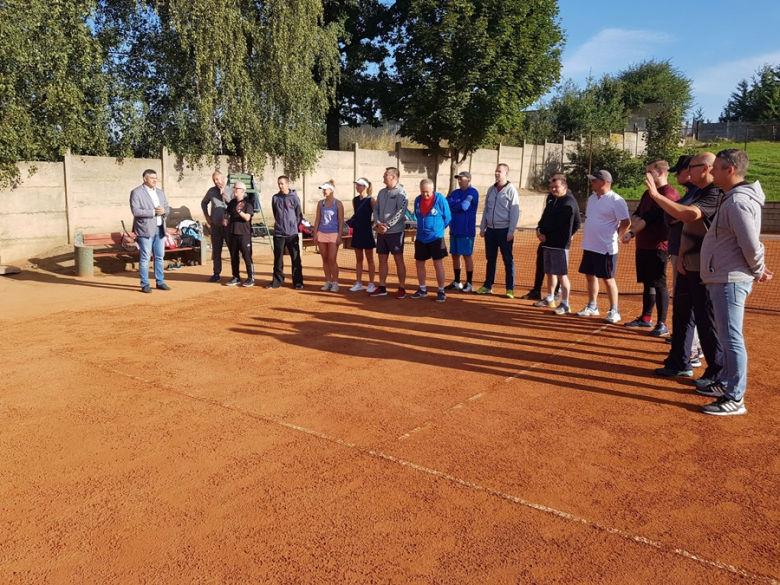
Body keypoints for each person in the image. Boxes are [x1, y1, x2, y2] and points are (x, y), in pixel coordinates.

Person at [698, 148, 772, 415]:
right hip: (724, 277)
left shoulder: (738, 202)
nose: (712, 171)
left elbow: (751, 244)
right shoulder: (731, 199)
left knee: (731, 337)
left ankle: (735, 397)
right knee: (727, 335)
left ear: (730, 170)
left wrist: (758, 268)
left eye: (716, 167)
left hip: (730, 279)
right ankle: (726, 383)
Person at [645, 152, 724, 391]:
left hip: (706, 269)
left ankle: (716, 372)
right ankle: (679, 361)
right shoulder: (698, 192)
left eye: (693, 167)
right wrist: (683, 257)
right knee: (682, 316)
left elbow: (688, 215)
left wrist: (657, 196)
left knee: (706, 320)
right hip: (689, 264)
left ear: (707, 168)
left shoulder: (715, 193)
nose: (688, 171)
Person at [620, 160, 680, 336]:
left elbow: (650, 218)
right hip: (643, 245)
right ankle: (646, 318)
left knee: (659, 284)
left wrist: (632, 232)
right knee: (648, 284)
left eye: (649, 172)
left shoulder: (668, 194)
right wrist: (637, 226)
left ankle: (662, 323)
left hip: (658, 246)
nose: (646, 176)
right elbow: (637, 214)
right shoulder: (649, 194)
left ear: (660, 173)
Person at [576, 170, 631, 323]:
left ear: (603, 182)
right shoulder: (592, 198)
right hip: (589, 245)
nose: (591, 183)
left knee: (608, 279)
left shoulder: (617, 200)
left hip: (606, 247)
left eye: (594, 180)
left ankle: (614, 310)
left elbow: (626, 222)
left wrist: (618, 236)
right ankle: (592, 306)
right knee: (589, 276)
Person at [533, 173, 581, 314]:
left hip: (559, 245)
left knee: (561, 274)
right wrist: (539, 229)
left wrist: (567, 235)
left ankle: (565, 304)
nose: (553, 189)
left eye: (556, 187)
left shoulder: (569, 203)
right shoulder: (551, 199)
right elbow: (545, 217)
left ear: (564, 187)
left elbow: (561, 223)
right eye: (551, 187)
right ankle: (550, 298)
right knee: (549, 272)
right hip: (547, 243)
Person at [476, 164, 521, 298]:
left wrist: (511, 231)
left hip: (504, 231)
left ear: (506, 174)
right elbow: (486, 209)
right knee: (491, 259)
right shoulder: (491, 189)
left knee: (508, 260)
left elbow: (515, 212)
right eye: (496, 171)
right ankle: (488, 286)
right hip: (490, 231)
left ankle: (510, 288)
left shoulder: (511, 190)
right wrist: (483, 226)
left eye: (499, 171)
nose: (497, 173)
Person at [130, 169, 171, 293]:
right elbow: (135, 211)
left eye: (156, 178)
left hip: (160, 229)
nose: (155, 180)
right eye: (152, 178)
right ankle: (145, 284)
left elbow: (167, 208)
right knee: (145, 257)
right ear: (145, 178)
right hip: (145, 229)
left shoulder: (160, 192)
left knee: (159, 257)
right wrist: (153, 212)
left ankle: (160, 281)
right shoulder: (136, 192)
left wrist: (164, 212)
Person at [370, 167, 408, 298]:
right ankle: (382, 286)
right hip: (381, 232)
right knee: (382, 259)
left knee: (398, 259)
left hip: (395, 232)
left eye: (385, 175)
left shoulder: (401, 193)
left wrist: (388, 225)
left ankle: (402, 287)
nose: (383, 177)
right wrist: (379, 223)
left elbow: (401, 212)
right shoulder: (381, 192)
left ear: (393, 177)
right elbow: (376, 210)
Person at [411, 179, 452, 302]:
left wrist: (438, 230)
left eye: (427, 192)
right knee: (419, 263)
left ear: (432, 189)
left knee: (437, 263)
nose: (425, 194)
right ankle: (422, 289)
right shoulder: (418, 200)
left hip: (436, 238)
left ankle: (441, 291)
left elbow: (447, 218)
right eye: (423, 191)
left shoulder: (440, 200)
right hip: (421, 238)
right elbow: (417, 216)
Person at [268, 176, 304, 289]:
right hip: (279, 233)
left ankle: (298, 282)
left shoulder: (294, 198)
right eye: (279, 183)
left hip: (292, 234)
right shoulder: (275, 198)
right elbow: (275, 213)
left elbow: (299, 215)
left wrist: (293, 227)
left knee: (295, 259)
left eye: (282, 183)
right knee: (278, 259)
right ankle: (277, 281)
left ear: (288, 184)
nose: (280, 186)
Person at [444, 171, 478, 293]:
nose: (459, 181)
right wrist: (457, 203)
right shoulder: (455, 192)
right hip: (454, 229)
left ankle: (469, 283)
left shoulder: (473, 192)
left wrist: (454, 204)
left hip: (466, 231)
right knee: (455, 255)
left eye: (461, 179)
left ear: (468, 180)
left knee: (467, 256)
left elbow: (464, 206)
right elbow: (446, 203)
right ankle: (457, 282)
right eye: (458, 179)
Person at [200, 172, 234, 282]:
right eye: (214, 180)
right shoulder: (211, 191)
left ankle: (235, 274)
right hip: (215, 226)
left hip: (229, 226)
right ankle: (216, 273)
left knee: (233, 250)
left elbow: (235, 204)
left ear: (223, 178)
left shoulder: (232, 190)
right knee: (216, 251)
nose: (216, 182)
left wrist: (224, 194)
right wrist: (207, 216)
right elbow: (203, 203)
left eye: (218, 179)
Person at [313, 180, 344, 292]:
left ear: (331, 190)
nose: (323, 191)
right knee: (325, 259)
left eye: (325, 189)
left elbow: (341, 221)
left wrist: (339, 236)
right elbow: (317, 219)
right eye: (323, 189)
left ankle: (335, 282)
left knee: (332, 259)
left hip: (334, 233)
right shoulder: (320, 203)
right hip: (322, 233)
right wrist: (315, 233)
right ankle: (328, 281)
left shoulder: (338, 204)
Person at [347, 178, 376, 293]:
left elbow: (376, 216)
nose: (357, 187)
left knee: (370, 259)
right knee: (359, 259)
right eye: (356, 185)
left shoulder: (371, 200)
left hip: (367, 233)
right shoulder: (354, 200)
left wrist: (371, 227)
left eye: (359, 185)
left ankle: (371, 283)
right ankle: (358, 282)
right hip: (357, 232)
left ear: (365, 187)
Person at [224, 182, 255, 287]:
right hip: (233, 233)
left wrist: (239, 212)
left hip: (244, 234)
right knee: (234, 256)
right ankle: (236, 277)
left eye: (236, 188)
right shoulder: (232, 202)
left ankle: (251, 278)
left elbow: (247, 218)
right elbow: (227, 213)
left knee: (247, 257)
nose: (234, 190)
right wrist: (225, 220)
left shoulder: (248, 203)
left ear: (242, 191)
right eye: (234, 188)